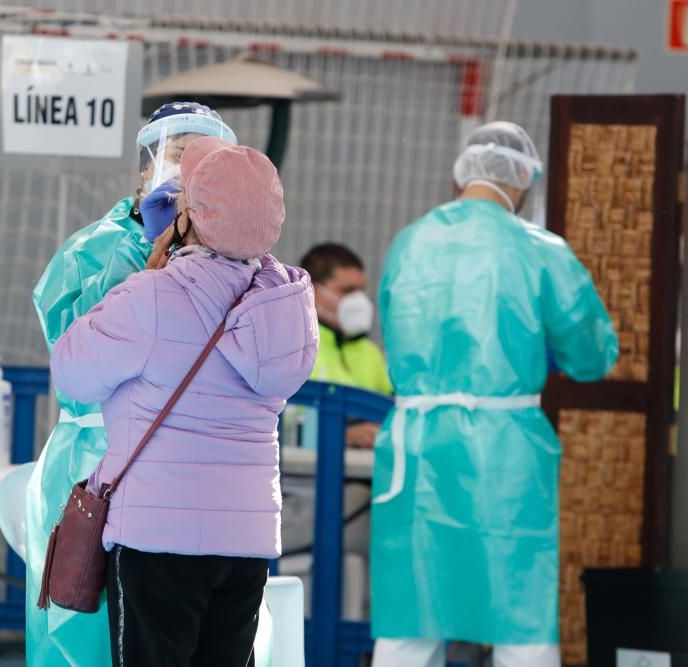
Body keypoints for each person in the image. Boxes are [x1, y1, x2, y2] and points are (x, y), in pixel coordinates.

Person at [50, 136, 317, 666]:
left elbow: (72, 373)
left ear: (190, 216)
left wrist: (147, 277)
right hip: (246, 539)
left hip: (156, 537)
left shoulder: (150, 297)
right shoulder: (288, 308)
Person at [370, 121, 618, 667]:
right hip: (506, 449)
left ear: (463, 173)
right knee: (520, 612)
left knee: (411, 616)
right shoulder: (539, 248)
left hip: (417, 444)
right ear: (524, 180)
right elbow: (592, 355)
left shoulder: (410, 242)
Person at [25, 102, 237, 666]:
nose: (190, 165)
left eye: (204, 154)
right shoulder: (95, 249)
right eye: (177, 151)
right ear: (146, 168)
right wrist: (144, 253)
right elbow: (77, 354)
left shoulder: (233, 254)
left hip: (189, 472)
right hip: (94, 464)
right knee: (83, 633)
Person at [301, 242, 391, 449]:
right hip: (301, 476)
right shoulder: (288, 347)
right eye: (347, 291)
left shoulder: (371, 354)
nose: (358, 301)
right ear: (311, 291)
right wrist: (342, 436)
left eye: (361, 291)